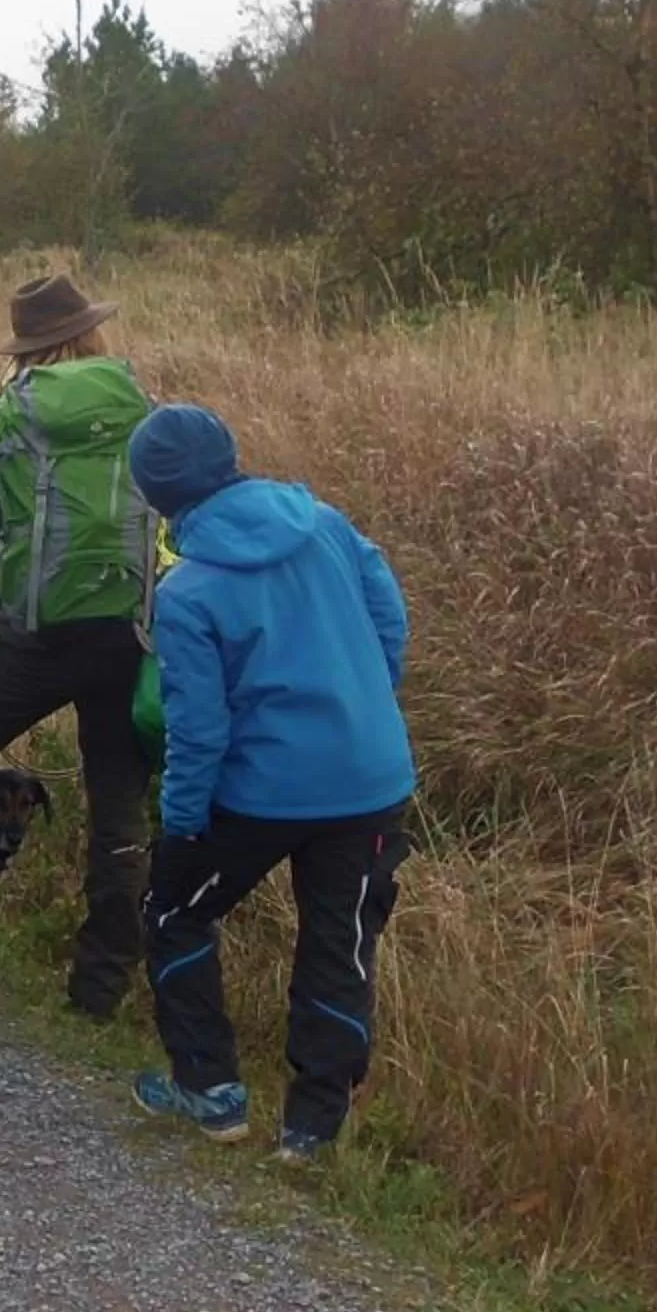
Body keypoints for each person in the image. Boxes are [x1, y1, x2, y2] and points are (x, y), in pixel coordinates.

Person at [122, 405, 415, 1162]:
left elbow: (198, 732)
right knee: (340, 944)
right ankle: (312, 1132)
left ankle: (210, 1088)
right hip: (370, 778)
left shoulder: (187, 592)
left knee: (173, 912)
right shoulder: (326, 524)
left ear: (155, 495)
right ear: (230, 456)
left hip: (259, 795)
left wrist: (182, 827)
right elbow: (391, 619)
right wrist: (363, 703)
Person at [0, 274, 157, 1019]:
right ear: (91, 334)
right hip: (128, 637)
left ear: (24, 349)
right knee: (120, 809)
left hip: (34, 641)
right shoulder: (145, 413)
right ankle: (99, 991)